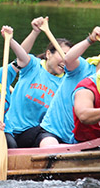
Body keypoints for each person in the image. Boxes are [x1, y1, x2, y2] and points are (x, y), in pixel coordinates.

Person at [4, 18, 72, 148]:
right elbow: (21, 55)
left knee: (49, 134)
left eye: (69, 56)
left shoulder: (66, 82)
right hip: (11, 131)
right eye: (62, 54)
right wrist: (35, 32)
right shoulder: (33, 66)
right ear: (48, 54)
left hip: (37, 134)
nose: (65, 60)